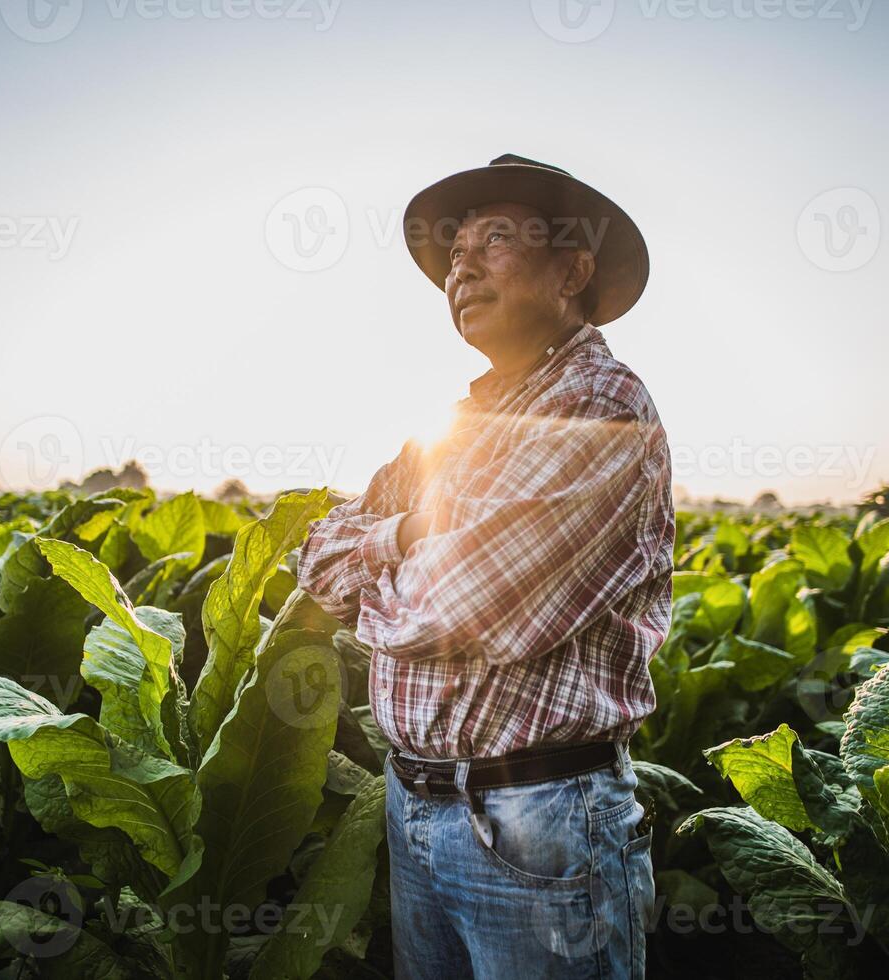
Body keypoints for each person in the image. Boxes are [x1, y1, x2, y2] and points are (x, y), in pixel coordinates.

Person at [296, 153, 674, 978]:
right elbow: (315, 558)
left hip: (535, 821)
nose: (460, 265)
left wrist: (384, 554)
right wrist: (405, 537)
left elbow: (464, 603)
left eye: (493, 239)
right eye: (453, 252)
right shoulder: (449, 426)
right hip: (415, 806)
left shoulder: (599, 406)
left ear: (572, 271)